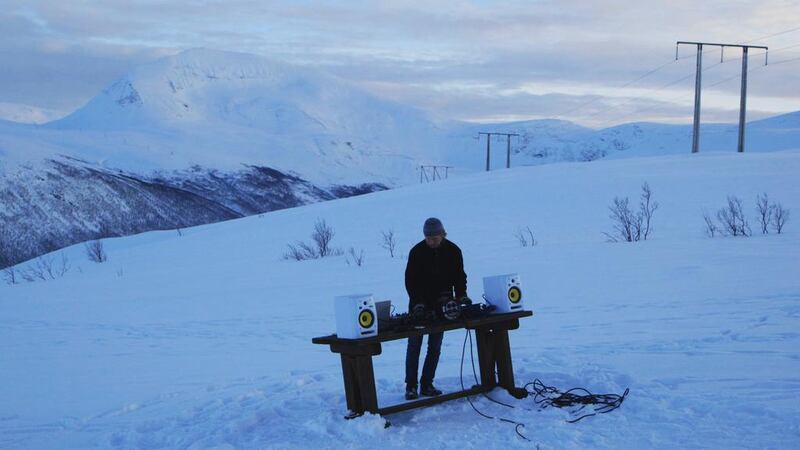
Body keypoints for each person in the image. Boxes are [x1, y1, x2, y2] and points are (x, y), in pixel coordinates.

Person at [404, 217, 468, 400]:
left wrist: (461, 295)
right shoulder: (416, 252)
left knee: (435, 346)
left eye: (435, 238)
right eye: (428, 238)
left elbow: (459, 276)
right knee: (414, 345)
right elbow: (410, 280)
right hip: (419, 305)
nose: (431, 241)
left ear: (443, 234)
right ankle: (411, 386)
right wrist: (418, 302)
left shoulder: (454, 251)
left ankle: (427, 384)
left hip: (443, 305)